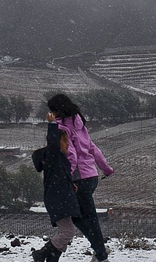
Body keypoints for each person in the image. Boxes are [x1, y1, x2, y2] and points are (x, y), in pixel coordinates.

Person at [47, 93, 114, 262]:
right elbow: (93, 148)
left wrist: (67, 178)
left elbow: (71, 156)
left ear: (57, 110)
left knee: (80, 218)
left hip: (78, 179)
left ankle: (100, 254)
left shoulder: (63, 128)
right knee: (87, 218)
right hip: (91, 176)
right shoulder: (78, 123)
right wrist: (106, 168)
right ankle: (99, 251)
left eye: (52, 110)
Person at [31, 114, 81, 262]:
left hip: (61, 199)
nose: (68, 144)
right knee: (68, 232)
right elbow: (52, 143)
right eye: (64, 141)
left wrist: (71, 186)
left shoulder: (60, 160)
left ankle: (52, 257)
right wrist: (52, 124)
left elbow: (62, 178)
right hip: (58, 200)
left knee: (65, 231)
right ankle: (41, 254)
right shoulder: (53, 156)